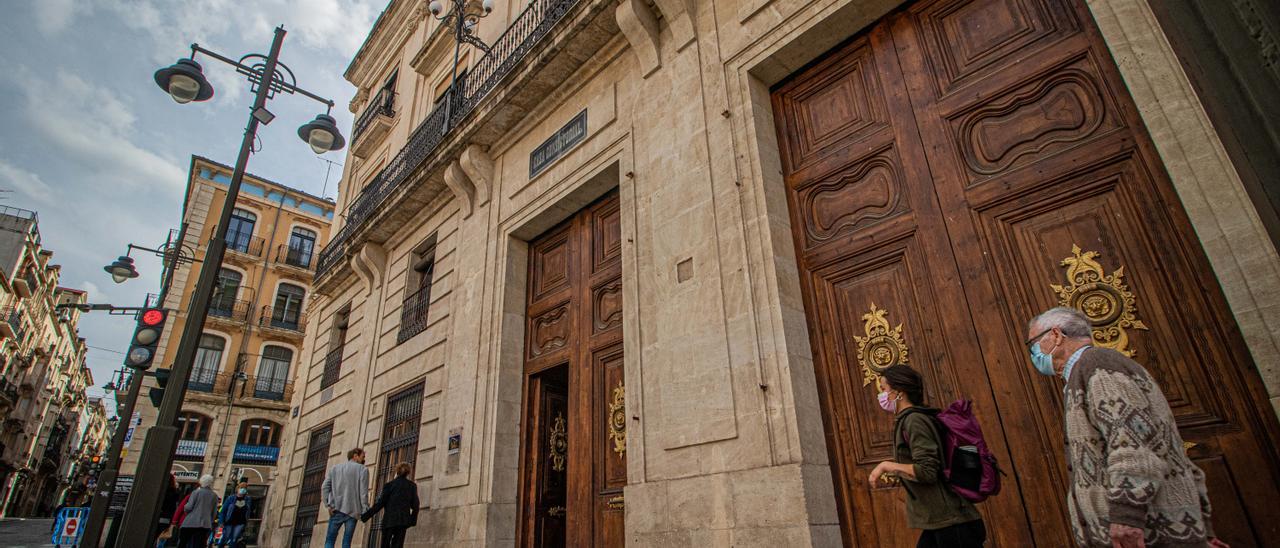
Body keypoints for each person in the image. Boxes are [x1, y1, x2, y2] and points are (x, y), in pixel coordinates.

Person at [1027, 306, 1228, 548]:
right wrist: (1203, 528)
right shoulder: (1085, 374)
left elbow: (1134, 446)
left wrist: (1127, 516)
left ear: (1056, 335)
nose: (1033, 353)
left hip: (1149, 533)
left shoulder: (1099, 367)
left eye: (1033, 344)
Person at [867, 364, 986, 547]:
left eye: (884, 389)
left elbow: (927, 471)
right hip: (941, 521)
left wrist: (887, 466)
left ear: (899, 392)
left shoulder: (915, 420)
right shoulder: (910, 419)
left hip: (953, 523)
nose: (882, 395)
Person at [361, 462, 420, 548]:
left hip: (389, 520)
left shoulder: (389, 485)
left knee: (385, 544)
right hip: (402, 521)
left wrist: (366, 516)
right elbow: (415, 505)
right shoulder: (412, 486)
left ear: (397, 471)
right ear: (408, 473)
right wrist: (412, 520)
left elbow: (380, 503)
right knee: (398, 545)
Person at [322, 448, 369, 548]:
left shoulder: (334, 469)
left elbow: (324, 487)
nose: (364, 459)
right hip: (353, 511)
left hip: (336, 509)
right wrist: (365, 509)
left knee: (330, 540)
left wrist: (328, 505)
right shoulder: (363, 470)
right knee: (347, 543)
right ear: (355, 456)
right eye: (362, 457)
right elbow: (363, 493)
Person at [179, 475, 219, 548]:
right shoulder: (214, 496)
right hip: (205, 524)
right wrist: (210, 521)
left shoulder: (196, 492)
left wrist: (185, 509)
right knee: (200, 544)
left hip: (191, 522)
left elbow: (189, 507)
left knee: (183, 542)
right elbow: (214, 512)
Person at [156, 474, 182, 548]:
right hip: (167, 516)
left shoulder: (161, 490)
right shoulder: (174, 492)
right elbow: (174, 507)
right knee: (162, 534)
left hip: (160, 514)